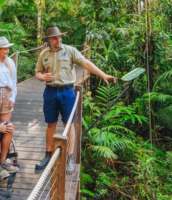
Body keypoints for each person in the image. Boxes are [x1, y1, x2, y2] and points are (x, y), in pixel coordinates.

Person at [35, 27, 116, 170]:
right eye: (55, 38)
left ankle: (69, 158)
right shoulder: (44, 54)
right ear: (48, 40)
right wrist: (43, 77)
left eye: (60, 37)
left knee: (69, 125)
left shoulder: (70, 50)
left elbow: (85, 63)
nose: (58, 40)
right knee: (50, 124)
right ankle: (48, 155)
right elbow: (38, 72)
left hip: (67, 92)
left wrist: (103, 74)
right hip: (50, 92)